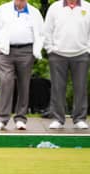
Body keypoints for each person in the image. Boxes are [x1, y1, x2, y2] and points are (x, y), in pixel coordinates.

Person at [0, 0, 44, 131]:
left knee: (24, 84)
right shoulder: (3, 9)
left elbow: (41, 34)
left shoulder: (34, 12)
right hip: (5, 52)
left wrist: (35, 51)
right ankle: (2, 118)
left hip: (26, 51)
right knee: (6, 81)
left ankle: (20, 118)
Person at [44, 0, 90, 129]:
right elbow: (47, 30)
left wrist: (88, 49)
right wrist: (50, 49)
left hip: (81, 54)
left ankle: (79, 119)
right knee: (57, 88)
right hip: (58, 54)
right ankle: (58, 119)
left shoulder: (87, 7)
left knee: (80, 87)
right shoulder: (55, 7)